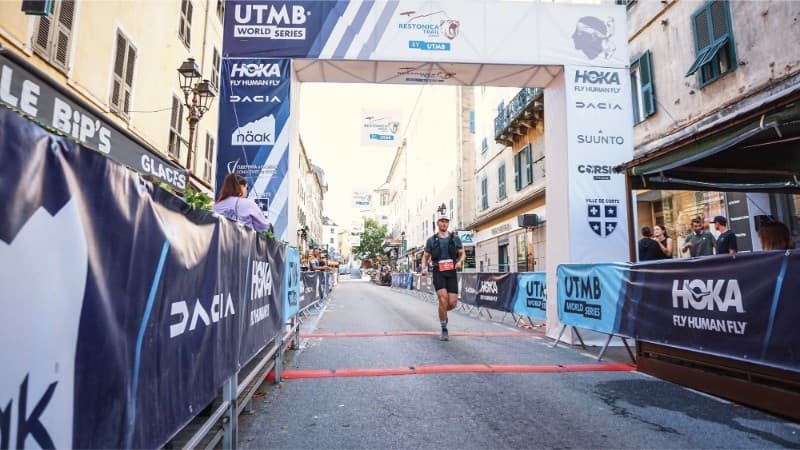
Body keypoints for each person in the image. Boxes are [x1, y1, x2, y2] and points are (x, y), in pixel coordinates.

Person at [420, 208, 464, 341]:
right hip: (438, 271)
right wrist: (424, 267)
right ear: (437, 223)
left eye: (446, 221)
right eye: (442, 221)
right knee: (443, 298)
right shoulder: (431, 240)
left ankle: (442, 310)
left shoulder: (455, 238)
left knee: (452, 303)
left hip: (451, 271)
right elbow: (425, 256)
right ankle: (444, 328)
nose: (444, 224)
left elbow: (462, 253)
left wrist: (460, 262)